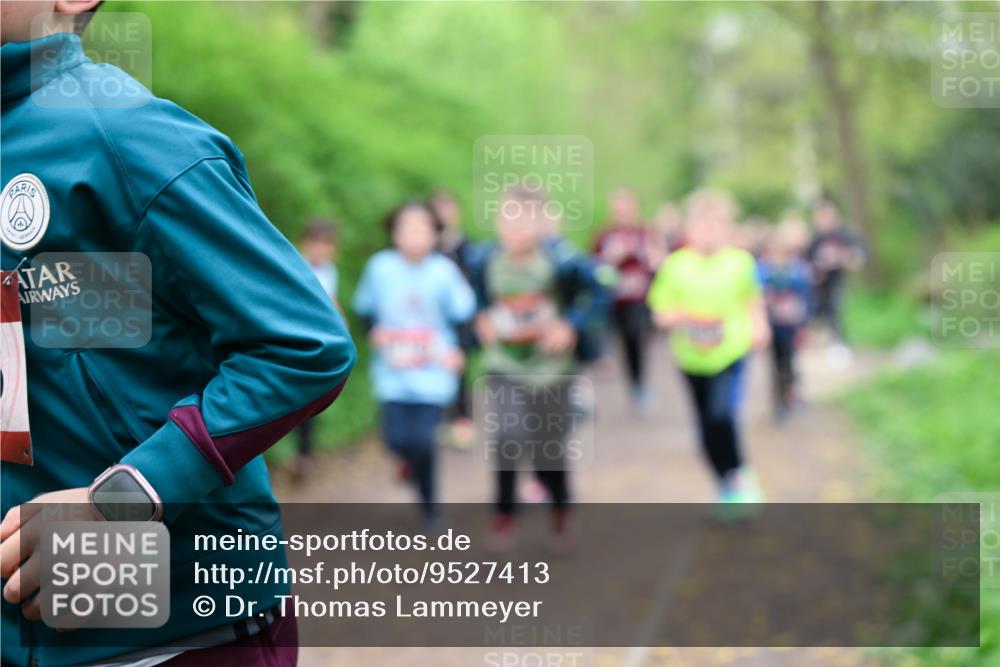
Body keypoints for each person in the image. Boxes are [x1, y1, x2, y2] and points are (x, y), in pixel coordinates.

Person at [0, 5, 356, 667]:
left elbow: (302, 345)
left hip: (175, 635)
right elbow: (82, 349)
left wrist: (125, 499)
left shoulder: (128, 137)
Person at [468, 187, 607, 549]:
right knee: (508, 438)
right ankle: (504, 516)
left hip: (552, 371)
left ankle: (561, 511)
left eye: (523, 219)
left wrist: (570, 325)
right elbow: (470, 294)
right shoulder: (484, 259)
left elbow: (599, 292)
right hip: (504, 367)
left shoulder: (562, 261)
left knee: (549, 448)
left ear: (541, 223)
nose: (513, 228)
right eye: (506, 218)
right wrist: (479, 315)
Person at [647, 189, 769, 516]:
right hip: (690, 358)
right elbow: (659, 312)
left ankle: (741, 476)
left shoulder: (740, 262)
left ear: (728, 229)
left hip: (730, 353)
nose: (709, 232)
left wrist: (759, 325)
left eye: (717, 225)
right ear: (689, 228)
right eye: (702, 225)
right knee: (704, 430)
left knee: (722, 415)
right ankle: (725, 482)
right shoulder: (675, 265)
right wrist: (681, 316)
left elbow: (752, 299)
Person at [353, 202, 475, 523]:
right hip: (392, 370)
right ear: (394, 233)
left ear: (435, 233)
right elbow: (364, 308)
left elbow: (463, 314)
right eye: (406, 228)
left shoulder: (444, 271)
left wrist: (459, 351)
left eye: (421, 228)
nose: (414, 235)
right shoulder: (380, 267)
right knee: (395, 439)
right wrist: (373, 332)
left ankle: (430, 506)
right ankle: (405, 461)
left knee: (424, 442)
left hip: (432, 370)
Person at [592, 188, 657, 412]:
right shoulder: (604, 235)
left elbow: (658, 263)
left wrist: (649, 257)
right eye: (618, 208)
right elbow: (592, 266)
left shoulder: (646, 233)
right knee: (610, 339)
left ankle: (639, 385)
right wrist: (611, 258)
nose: (622, 212)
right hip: (611, 299)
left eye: (626, 207)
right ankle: (604, 361)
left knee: (634, 338)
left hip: (638, 298)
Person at [292, 219, 341, 482]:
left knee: (310, 402)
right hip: (297, 341)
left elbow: (331, 301)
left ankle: (303, 454)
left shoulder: (330, 271)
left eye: (326, 244)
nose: (321, 249)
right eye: (316, 243)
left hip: (318, 345)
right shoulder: (295, 266)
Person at [429, 190, 478, 450]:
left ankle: (462, 420)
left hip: (461, 318)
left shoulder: (467, 245)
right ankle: (439, 421)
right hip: (433, 319)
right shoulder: (429, 248)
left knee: (460, 367)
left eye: (448, 208)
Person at [758, 220, 813, 422]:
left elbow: (806, 298)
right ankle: (779, 402)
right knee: (774, 364)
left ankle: (789, 394)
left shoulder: (797, 269)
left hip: (790, 326)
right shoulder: (762, 269)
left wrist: (804, 325)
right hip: (771, 325)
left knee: (788, 362)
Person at [806, 199, 866, 364]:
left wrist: (849, 259)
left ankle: (840, 344)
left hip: (838, 279)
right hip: (820, 283)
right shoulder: (816, 236)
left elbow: (859, 253)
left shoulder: (844, 233)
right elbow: (808, 258)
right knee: (820, 311)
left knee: (836, 307)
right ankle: (822, 342)